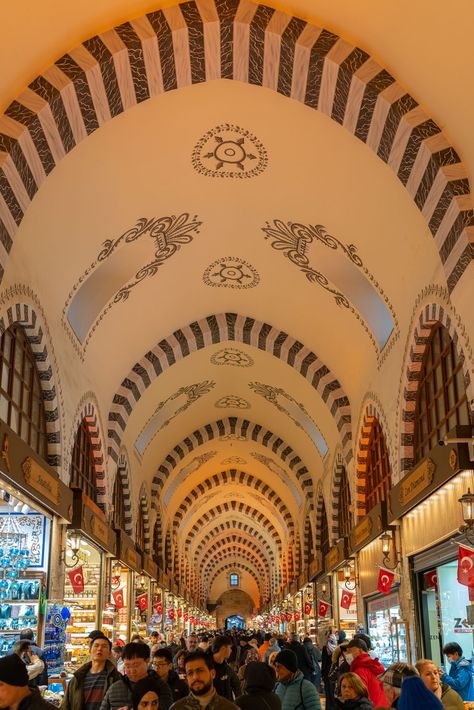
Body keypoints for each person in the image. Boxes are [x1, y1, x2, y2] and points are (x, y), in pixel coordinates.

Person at [99, 642, 172, 710]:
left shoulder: (160, 686)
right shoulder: (114, 688)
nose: (132, 670)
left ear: (147, 661)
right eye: (127, 666)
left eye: (136, 665)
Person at [61, 634, 121, 710]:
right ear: (90, 650)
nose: (99, 649)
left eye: (104, 646)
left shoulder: (116, 678)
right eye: (96, 645)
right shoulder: (77, 679)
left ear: (109, 653)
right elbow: (65, 706)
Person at [171, 650, 238, 710]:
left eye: (200, 671)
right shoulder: (177, 708)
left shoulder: (229, 708)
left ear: (212, 674)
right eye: (190, 673)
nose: (195, 677)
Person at [344, 640, 387, 708]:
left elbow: (362, 695)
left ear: (360, 650)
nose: (347, 654)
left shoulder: (360, 670)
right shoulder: (374, 664)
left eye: (350, 651)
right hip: (381, 705)